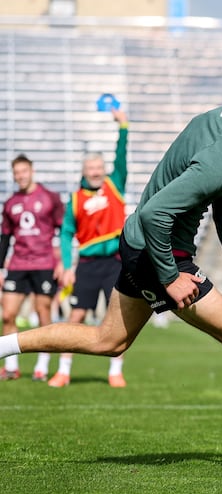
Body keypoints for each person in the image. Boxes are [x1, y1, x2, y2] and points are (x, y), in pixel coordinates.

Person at [0, 86, 222, 470]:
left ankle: (2, 346)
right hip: (159, 252)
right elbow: (156, 214)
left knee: (108, 341)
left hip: (141, 245)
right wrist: (170, 277)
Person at [48, 108, 129, 388]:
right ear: (84, 172)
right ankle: (63, 370)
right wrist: (67, 266)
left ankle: (115, 371)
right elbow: (65, 234)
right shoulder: (75, 199)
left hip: (116, 263)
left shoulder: (115, 184)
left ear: (103, 169)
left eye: (98, 168)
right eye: (90, 169)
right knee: (76, 316)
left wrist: (123, 126)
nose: (95, 172)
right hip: (87, 265)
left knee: (118, 317)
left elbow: (121, 155)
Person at [0, 154, 64, 381]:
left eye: (24, 171)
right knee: (8, 315)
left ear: (32, 171)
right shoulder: (10, 203)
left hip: (44, 264)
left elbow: (64, 231)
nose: (21, 176)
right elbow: (5, 238)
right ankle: (11, 367)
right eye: (17, 173)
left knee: (42, 313)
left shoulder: (50, 197)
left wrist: (62, 262)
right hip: (18, 264)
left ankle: (42, 366)